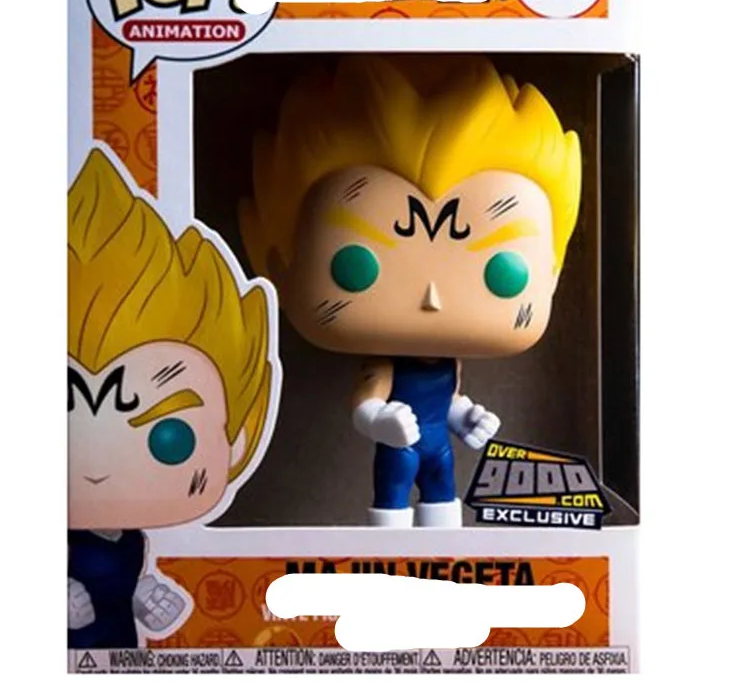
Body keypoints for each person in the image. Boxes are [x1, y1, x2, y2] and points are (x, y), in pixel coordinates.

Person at [239, 55, 581, 527]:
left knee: (443, 509)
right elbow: (365, 406)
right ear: (277, 262)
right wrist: (379, 421)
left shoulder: (447, 364)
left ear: (553, 273)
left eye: (504, 273)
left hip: (440, 451)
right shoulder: (384, 366)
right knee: (391, 511)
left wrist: (465, 417)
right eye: (355, 267)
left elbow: (448, 400)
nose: (432, 297)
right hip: (397, 452)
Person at [68, 149, 278, 646]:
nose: (98, 469)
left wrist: (147, 594)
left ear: (237, 441)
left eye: (169, 437)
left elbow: (130, 583)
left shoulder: (132, 540)